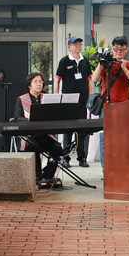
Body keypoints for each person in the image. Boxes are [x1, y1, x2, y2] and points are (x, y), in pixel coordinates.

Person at [17, 71, 66, 186]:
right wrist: (30, 119)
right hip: (29, 136)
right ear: (29, 85)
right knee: (33, 147)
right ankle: (37, 177)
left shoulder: (46, 98)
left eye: (41, 82)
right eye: (36, 82)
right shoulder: (21, 99)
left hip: (45, 135)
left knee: (58, 149)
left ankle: (47, 176)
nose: (39, 84)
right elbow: (17, 117)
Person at [54, 34, 94, 166]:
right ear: (69, 47)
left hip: (82, 100)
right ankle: (65, 158)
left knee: (82, 130)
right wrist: (56, 97)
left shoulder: (85, 61)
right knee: (68, 130)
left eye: (80, 44)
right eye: (76, 44)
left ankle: (82, 158)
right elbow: (57, 79)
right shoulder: (64, 61)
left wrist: (90, 96)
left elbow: (89, 79)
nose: (78, 47)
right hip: (68, 101)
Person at [90, 35, 129, 107]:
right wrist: (101, 62)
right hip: (106, 104)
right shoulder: (106, 63)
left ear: (126, 49)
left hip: (123, 103)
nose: (119, 51)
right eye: (116, 49)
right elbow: (94, 79)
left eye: (122, 49)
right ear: (112, 49)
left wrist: (125, 68)